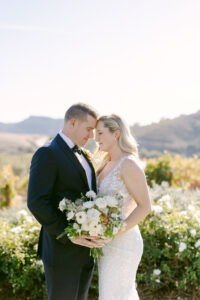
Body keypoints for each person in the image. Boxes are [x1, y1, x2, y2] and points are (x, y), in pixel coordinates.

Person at [27, 103, 104, 300]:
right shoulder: (47, 153)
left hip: (85, 252)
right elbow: (37, 202)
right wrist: (68, 234)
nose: (91, 136)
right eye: (88, 129)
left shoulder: (85, 156)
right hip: (61, 251)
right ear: (72, 122)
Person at [95, 114, 152, 300]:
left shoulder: (128, 164)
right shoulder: (104, 164)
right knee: (108, 294)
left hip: (124, 242)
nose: (96, 139)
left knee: (118, 294)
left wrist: (113, 233)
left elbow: (145, 206)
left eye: (101, 133)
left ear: (116, 134)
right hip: (105, 243)